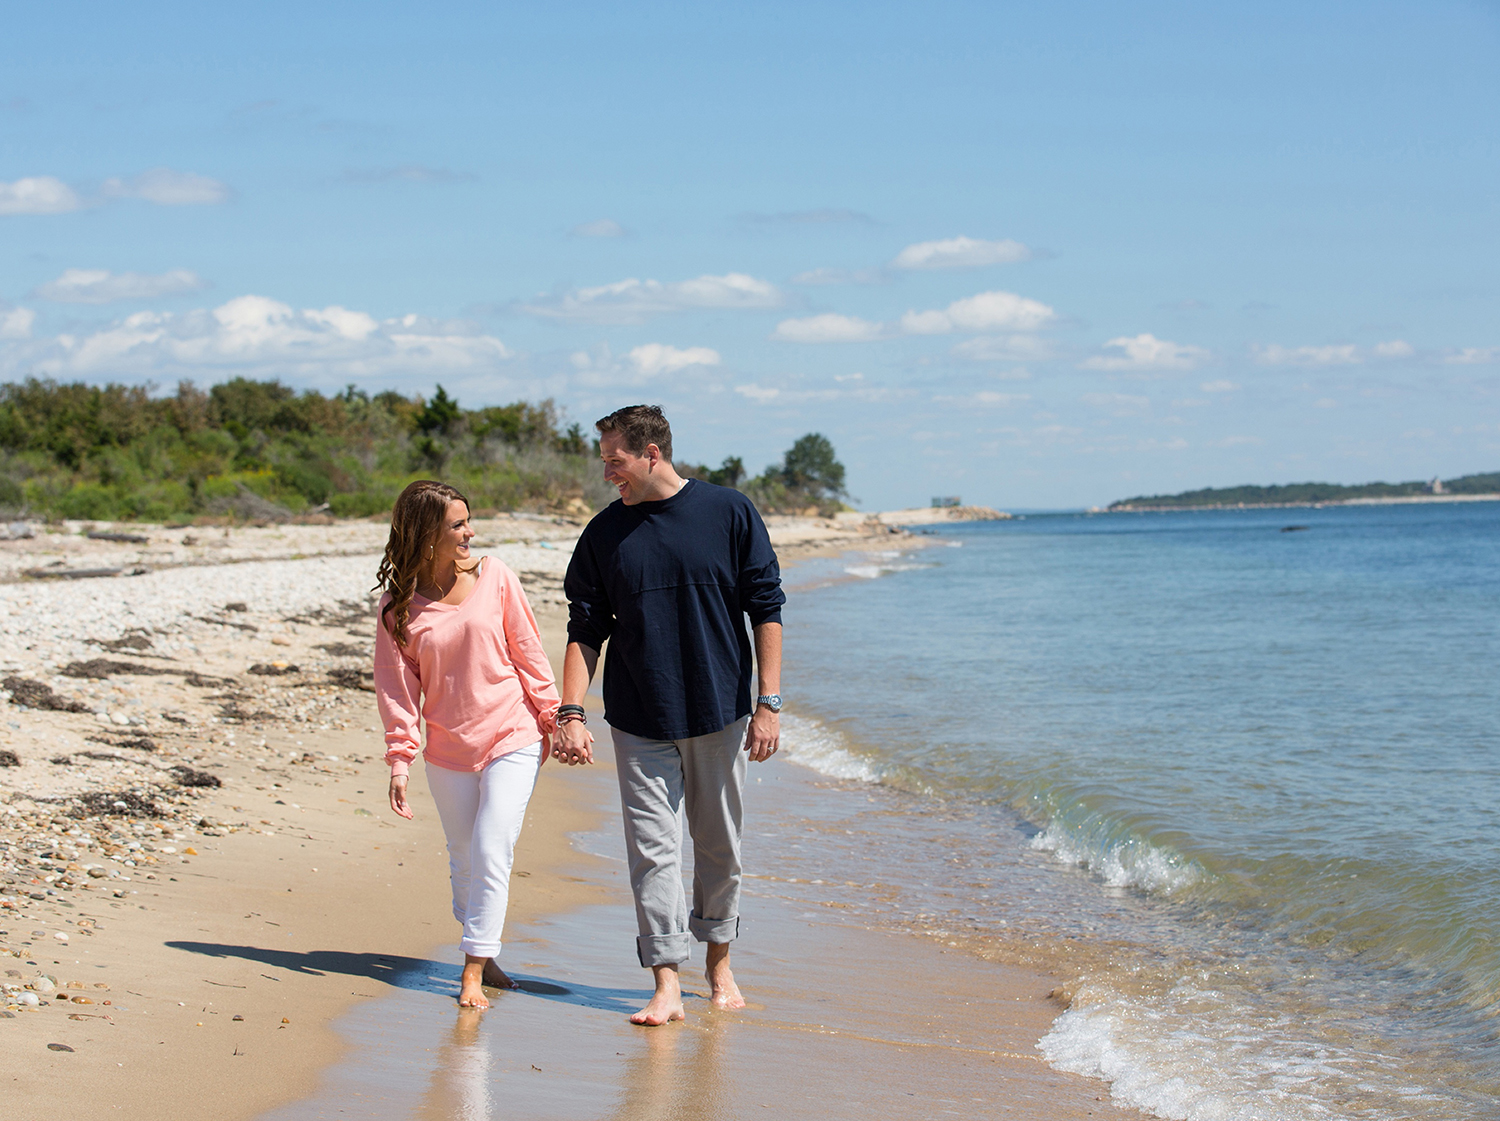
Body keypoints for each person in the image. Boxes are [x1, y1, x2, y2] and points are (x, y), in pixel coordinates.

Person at [555, 404, 785, 1026]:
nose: (607, 472)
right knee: (652, 854)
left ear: (651, 453)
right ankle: (665, 983)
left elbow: (766, 608)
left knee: (718, 848)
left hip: (720, 713)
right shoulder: (603, 535)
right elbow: (585, 630)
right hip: (638, 717)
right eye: (604, 460)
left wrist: (769, 704)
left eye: (615, 459)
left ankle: (719, 966)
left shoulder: (729, 512)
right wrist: (570, 711)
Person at [373, 480, 560, 1009]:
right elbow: (397, 689)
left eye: (468, 520)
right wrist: (400, 761)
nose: (470, 532)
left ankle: (473, 968)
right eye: (457, 524)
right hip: (448, 748)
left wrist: (556, 716)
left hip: (513, 733)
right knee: (463, 858)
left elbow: (528, 654)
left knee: (491, 845)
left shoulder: (496, 576)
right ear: (427, 534)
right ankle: (487, 946)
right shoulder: (398, 606)